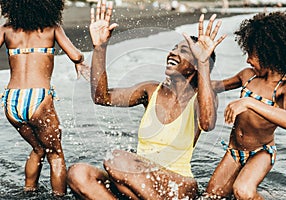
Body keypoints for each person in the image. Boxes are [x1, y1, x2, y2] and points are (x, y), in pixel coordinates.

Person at [67, 0, 226, 199]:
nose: (173, 53)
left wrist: (203, 61)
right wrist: (100, 47)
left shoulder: (201, 98)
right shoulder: (150, 90)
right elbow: (102, 97)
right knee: (78, 173)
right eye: (174, 48)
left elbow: (207, 123)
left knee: (116, 158)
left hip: (179, 184)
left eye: (183, 52)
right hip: (139, 181)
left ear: (196, 65)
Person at [203, 11, 286, 199]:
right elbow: (212, 87)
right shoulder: (248, 76)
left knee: (243, 190)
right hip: (235, 150)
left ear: (269, 53)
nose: (247, 59)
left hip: (261, 152)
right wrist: (204, 61)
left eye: (251, 54)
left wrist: (248, 102)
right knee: (211, 196)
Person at [0, 0, 89, 196]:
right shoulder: (52, 29)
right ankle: (59, 197)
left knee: (38, 149)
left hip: (11, 100)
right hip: (38, 99)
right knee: (55, 155)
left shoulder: (6, 30)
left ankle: (29, 190)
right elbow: (75, 55)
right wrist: (80, 62)